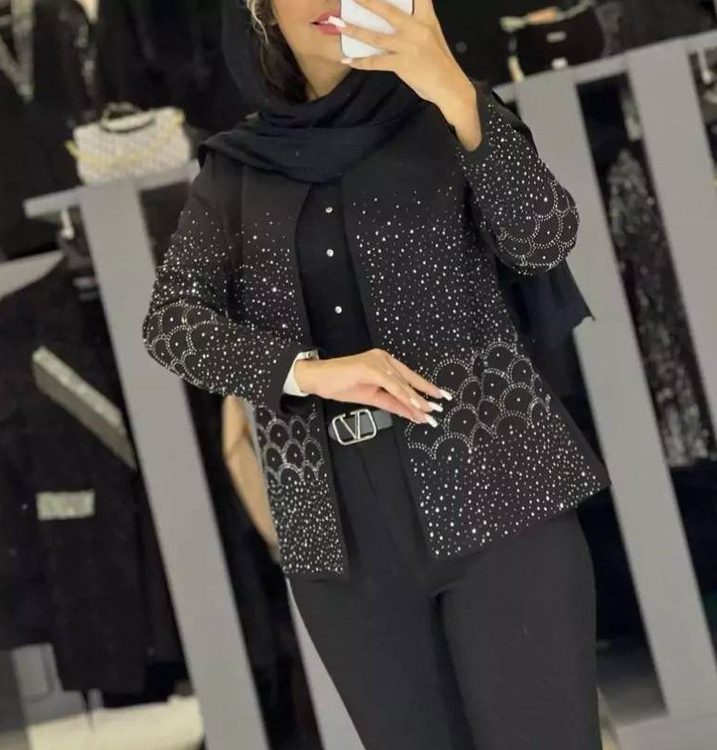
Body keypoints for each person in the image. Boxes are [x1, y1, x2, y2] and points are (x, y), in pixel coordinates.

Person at [141, 0, 613, 747]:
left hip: (499, 494)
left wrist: (454, 89)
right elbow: (170, 324)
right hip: (338, 545)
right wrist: (305, 373)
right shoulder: (236, 169)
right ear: (262, 12)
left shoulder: (449, 113)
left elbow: (543, 237)